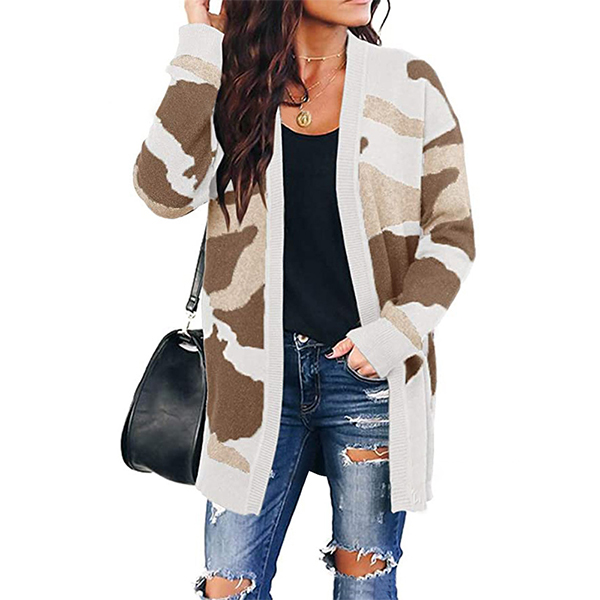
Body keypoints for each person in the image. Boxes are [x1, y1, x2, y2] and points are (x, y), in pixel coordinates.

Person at [132, 0, 476, 597]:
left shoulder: (408, 81)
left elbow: (452, 231)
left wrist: (396, 332)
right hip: (252, 382)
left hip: (369, 377)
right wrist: (200, 46)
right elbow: (162, 191)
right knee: (229, 585)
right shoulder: (234, 83)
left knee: (364, 583)